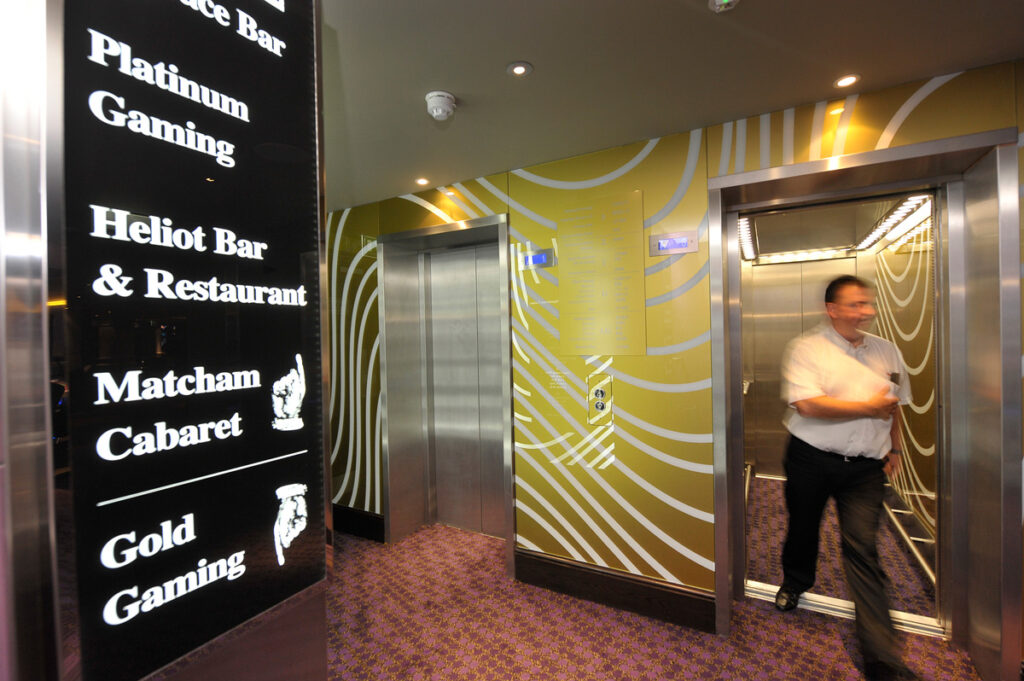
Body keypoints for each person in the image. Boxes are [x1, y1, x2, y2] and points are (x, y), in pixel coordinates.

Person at [774, 275, 918, 681]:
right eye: (856, 304)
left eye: (867, 303)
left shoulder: (887, 351)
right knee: (803, 528)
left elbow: (895, 406)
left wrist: (896, 448)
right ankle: (795, 581)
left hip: (866, 469)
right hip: (810, 459)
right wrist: (867, 408)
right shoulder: (807, 348)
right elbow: (807, 405)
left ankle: (882, 659)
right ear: (832, 309)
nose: (866, 311)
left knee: (863, 550)